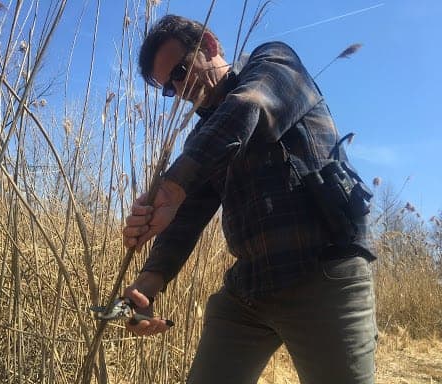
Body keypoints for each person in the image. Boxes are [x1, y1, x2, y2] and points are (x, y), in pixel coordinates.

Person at [122, 14, 377, 384]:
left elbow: (249, 107)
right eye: (168, 88)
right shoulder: (202, 138)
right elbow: (185, 220)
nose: (179, 90)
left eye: (180, 71)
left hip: (323, 274)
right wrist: (144, 287)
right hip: (250, 289)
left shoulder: (275, 62)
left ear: (209, 45)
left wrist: (171, 185)